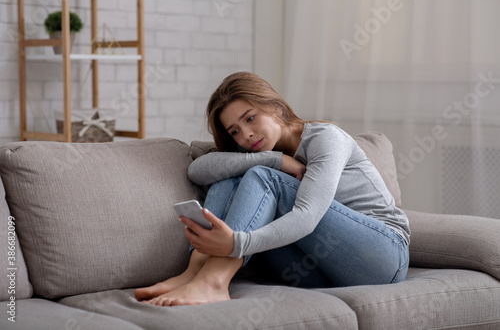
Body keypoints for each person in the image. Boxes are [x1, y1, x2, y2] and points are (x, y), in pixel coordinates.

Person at [134, 71, 410, 306]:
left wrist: (237, 243)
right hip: (320, 268)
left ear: (277, 107)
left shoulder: (326, 138)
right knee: (230, 178)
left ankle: (214, 281)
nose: (245, 135)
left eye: (250, 118)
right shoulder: (267, 154)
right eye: (234, 131)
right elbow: (198, 170)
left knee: (263, 177)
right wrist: (275, 159)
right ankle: (194, 272)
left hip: (381, 257)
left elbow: (307, 216)